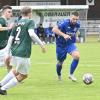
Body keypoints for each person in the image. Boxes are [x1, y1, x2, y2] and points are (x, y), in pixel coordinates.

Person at [0, 6, 46, 95]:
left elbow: (10, 39)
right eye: (31, 13)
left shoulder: (17, 23)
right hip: (23, 52)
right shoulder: (30, 21)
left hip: (15, 51)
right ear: (29, 13)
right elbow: (32, 34)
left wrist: (7, 52)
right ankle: (3, 88)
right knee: (24, 75)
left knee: (16, 70)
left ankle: (1, 84)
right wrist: (42, 45)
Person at [52, 12, 80, 82]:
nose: (75, 21)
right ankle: (59, 75)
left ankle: (71, 74)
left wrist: (76, 37)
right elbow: (54, 30)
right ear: (70, 17)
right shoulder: (64, 23)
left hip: (70, 44)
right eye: (73, 19)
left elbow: (76, 31)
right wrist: (64, 35)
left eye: (76, 19)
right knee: (60, 63)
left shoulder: (77, 25)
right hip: (60, 45)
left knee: (77, 56)